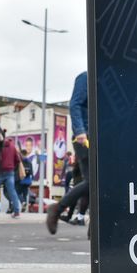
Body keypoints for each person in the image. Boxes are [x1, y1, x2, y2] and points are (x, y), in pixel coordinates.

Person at [47, 72, 89, 234]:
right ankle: (57, 208)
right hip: (85, 136)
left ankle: (97, 228)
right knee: (93, 181)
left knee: (99, 182)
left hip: (100, 136)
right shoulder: (86, 77)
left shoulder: (105, 76)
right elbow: (75, 104)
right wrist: (80, 130)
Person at [0, 136, 22, 218]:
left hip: (0, 171)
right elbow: (18, 160)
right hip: (10, 171)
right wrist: (12, 166)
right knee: (12, 191)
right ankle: (17, 212)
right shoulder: (13, 147)